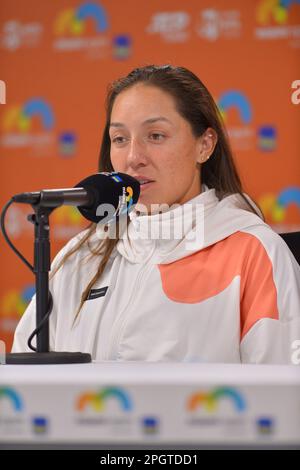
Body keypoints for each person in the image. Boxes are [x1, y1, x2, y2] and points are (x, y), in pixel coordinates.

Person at [12, 64, 300, 364]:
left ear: (205, 145)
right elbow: (22, 386)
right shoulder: (81, 256)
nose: (134, 158)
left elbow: (283, 395)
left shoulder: (255, 253)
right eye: (120, 139)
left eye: (156, 135)